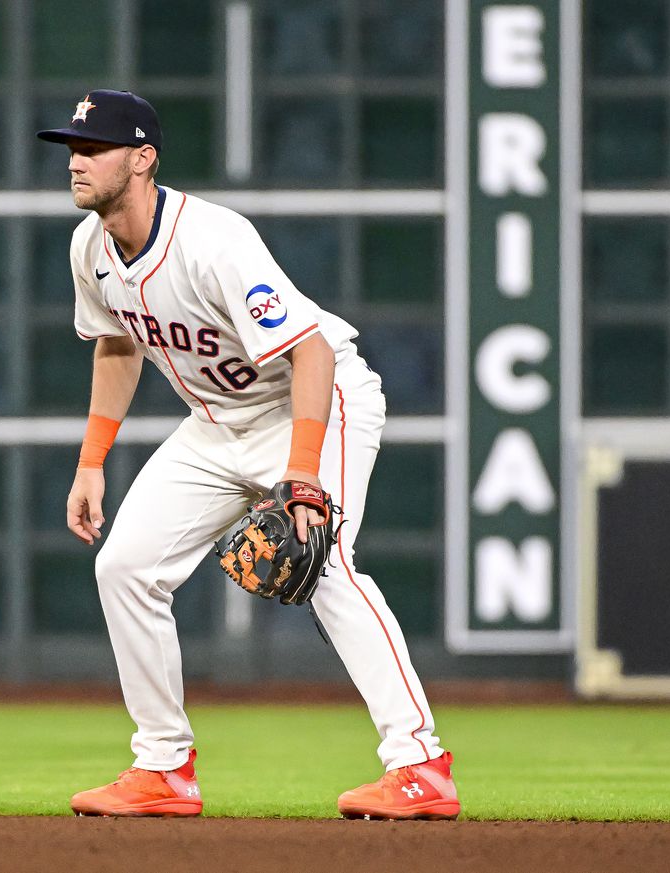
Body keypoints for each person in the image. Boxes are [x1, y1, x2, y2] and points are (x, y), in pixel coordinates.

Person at [36, 89, 459, 820]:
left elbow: (313, 350)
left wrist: (301, 471)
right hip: (217, 422)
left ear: (143, 160)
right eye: (73, 147)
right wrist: (91, 459)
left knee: (324, 558)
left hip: (316, 403)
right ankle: (163, 767)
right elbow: (115, 342)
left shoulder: (212, 241)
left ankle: (421, 763)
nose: (77, 161)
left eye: (94, 147)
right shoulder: (90, 248)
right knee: (125, 566)